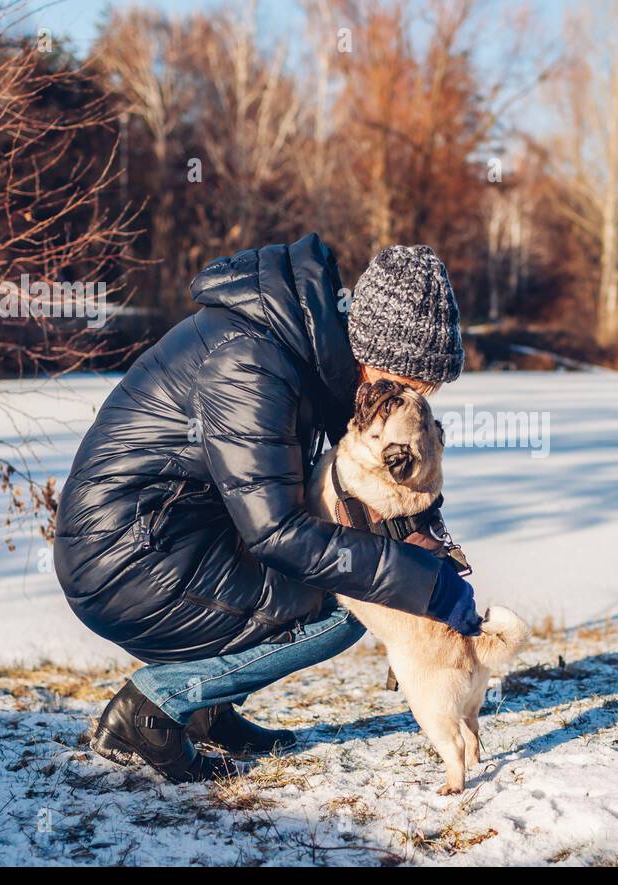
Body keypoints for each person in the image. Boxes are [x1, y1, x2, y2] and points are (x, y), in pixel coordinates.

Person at [53, 237, 480, 782]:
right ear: (371, 354)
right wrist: (418, 584)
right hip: (124, 557)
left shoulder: (299, 349)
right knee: (342, 607)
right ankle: (152, 710)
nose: (405, 406)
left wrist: (420, 544)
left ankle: (208, 706)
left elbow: (338, 491)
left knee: (348, 577)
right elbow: (278, 531)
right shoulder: (250, 361)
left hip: (173, 536)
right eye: (403, 387)